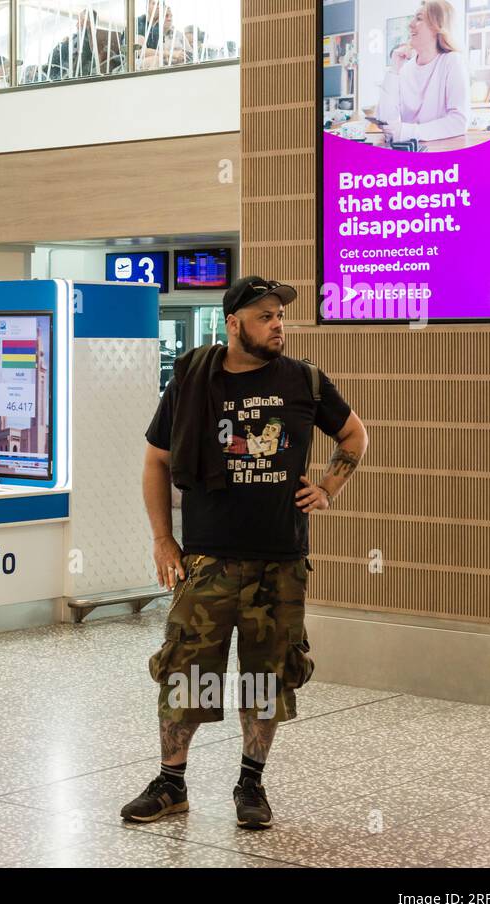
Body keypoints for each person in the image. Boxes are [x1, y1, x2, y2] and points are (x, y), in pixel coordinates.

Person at [121, 276, 368, 830]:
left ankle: (251, 784)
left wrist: (328, 487)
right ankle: (171, 784)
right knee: (184, 674)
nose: (278, 323)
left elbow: (355, 437)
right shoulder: (190, 381)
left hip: (279, 560)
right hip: (205, 559)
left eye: (280, 314)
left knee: (267, 679)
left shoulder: (305, 381)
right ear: (233, 324)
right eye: (264, 315)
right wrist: (163, 539)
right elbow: (156, 462)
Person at [375, 1, 471, 144]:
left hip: (442, 155)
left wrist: (406, 132)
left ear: (436, 27)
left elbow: (459, 121)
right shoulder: (405, 69)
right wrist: (394, 70)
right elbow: (386, 122)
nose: (411, 24)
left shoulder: (452, 61)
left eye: (419, 19)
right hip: (410, 157)